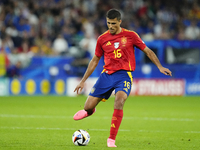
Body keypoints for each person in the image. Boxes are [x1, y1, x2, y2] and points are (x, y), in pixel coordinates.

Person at [73, 9, 172, 147]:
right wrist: (83, 81)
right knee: (88, 107)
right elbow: (95, 60)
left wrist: (160, 67)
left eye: (113, 23)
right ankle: (91, 110)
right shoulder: (102, 39)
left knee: (119, 101)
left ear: (120, 21)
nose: (111, 26)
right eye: (108, 23)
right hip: (107, 75)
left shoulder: (131, 35)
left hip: (124, 75)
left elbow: (148, 51)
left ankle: (111, 139)